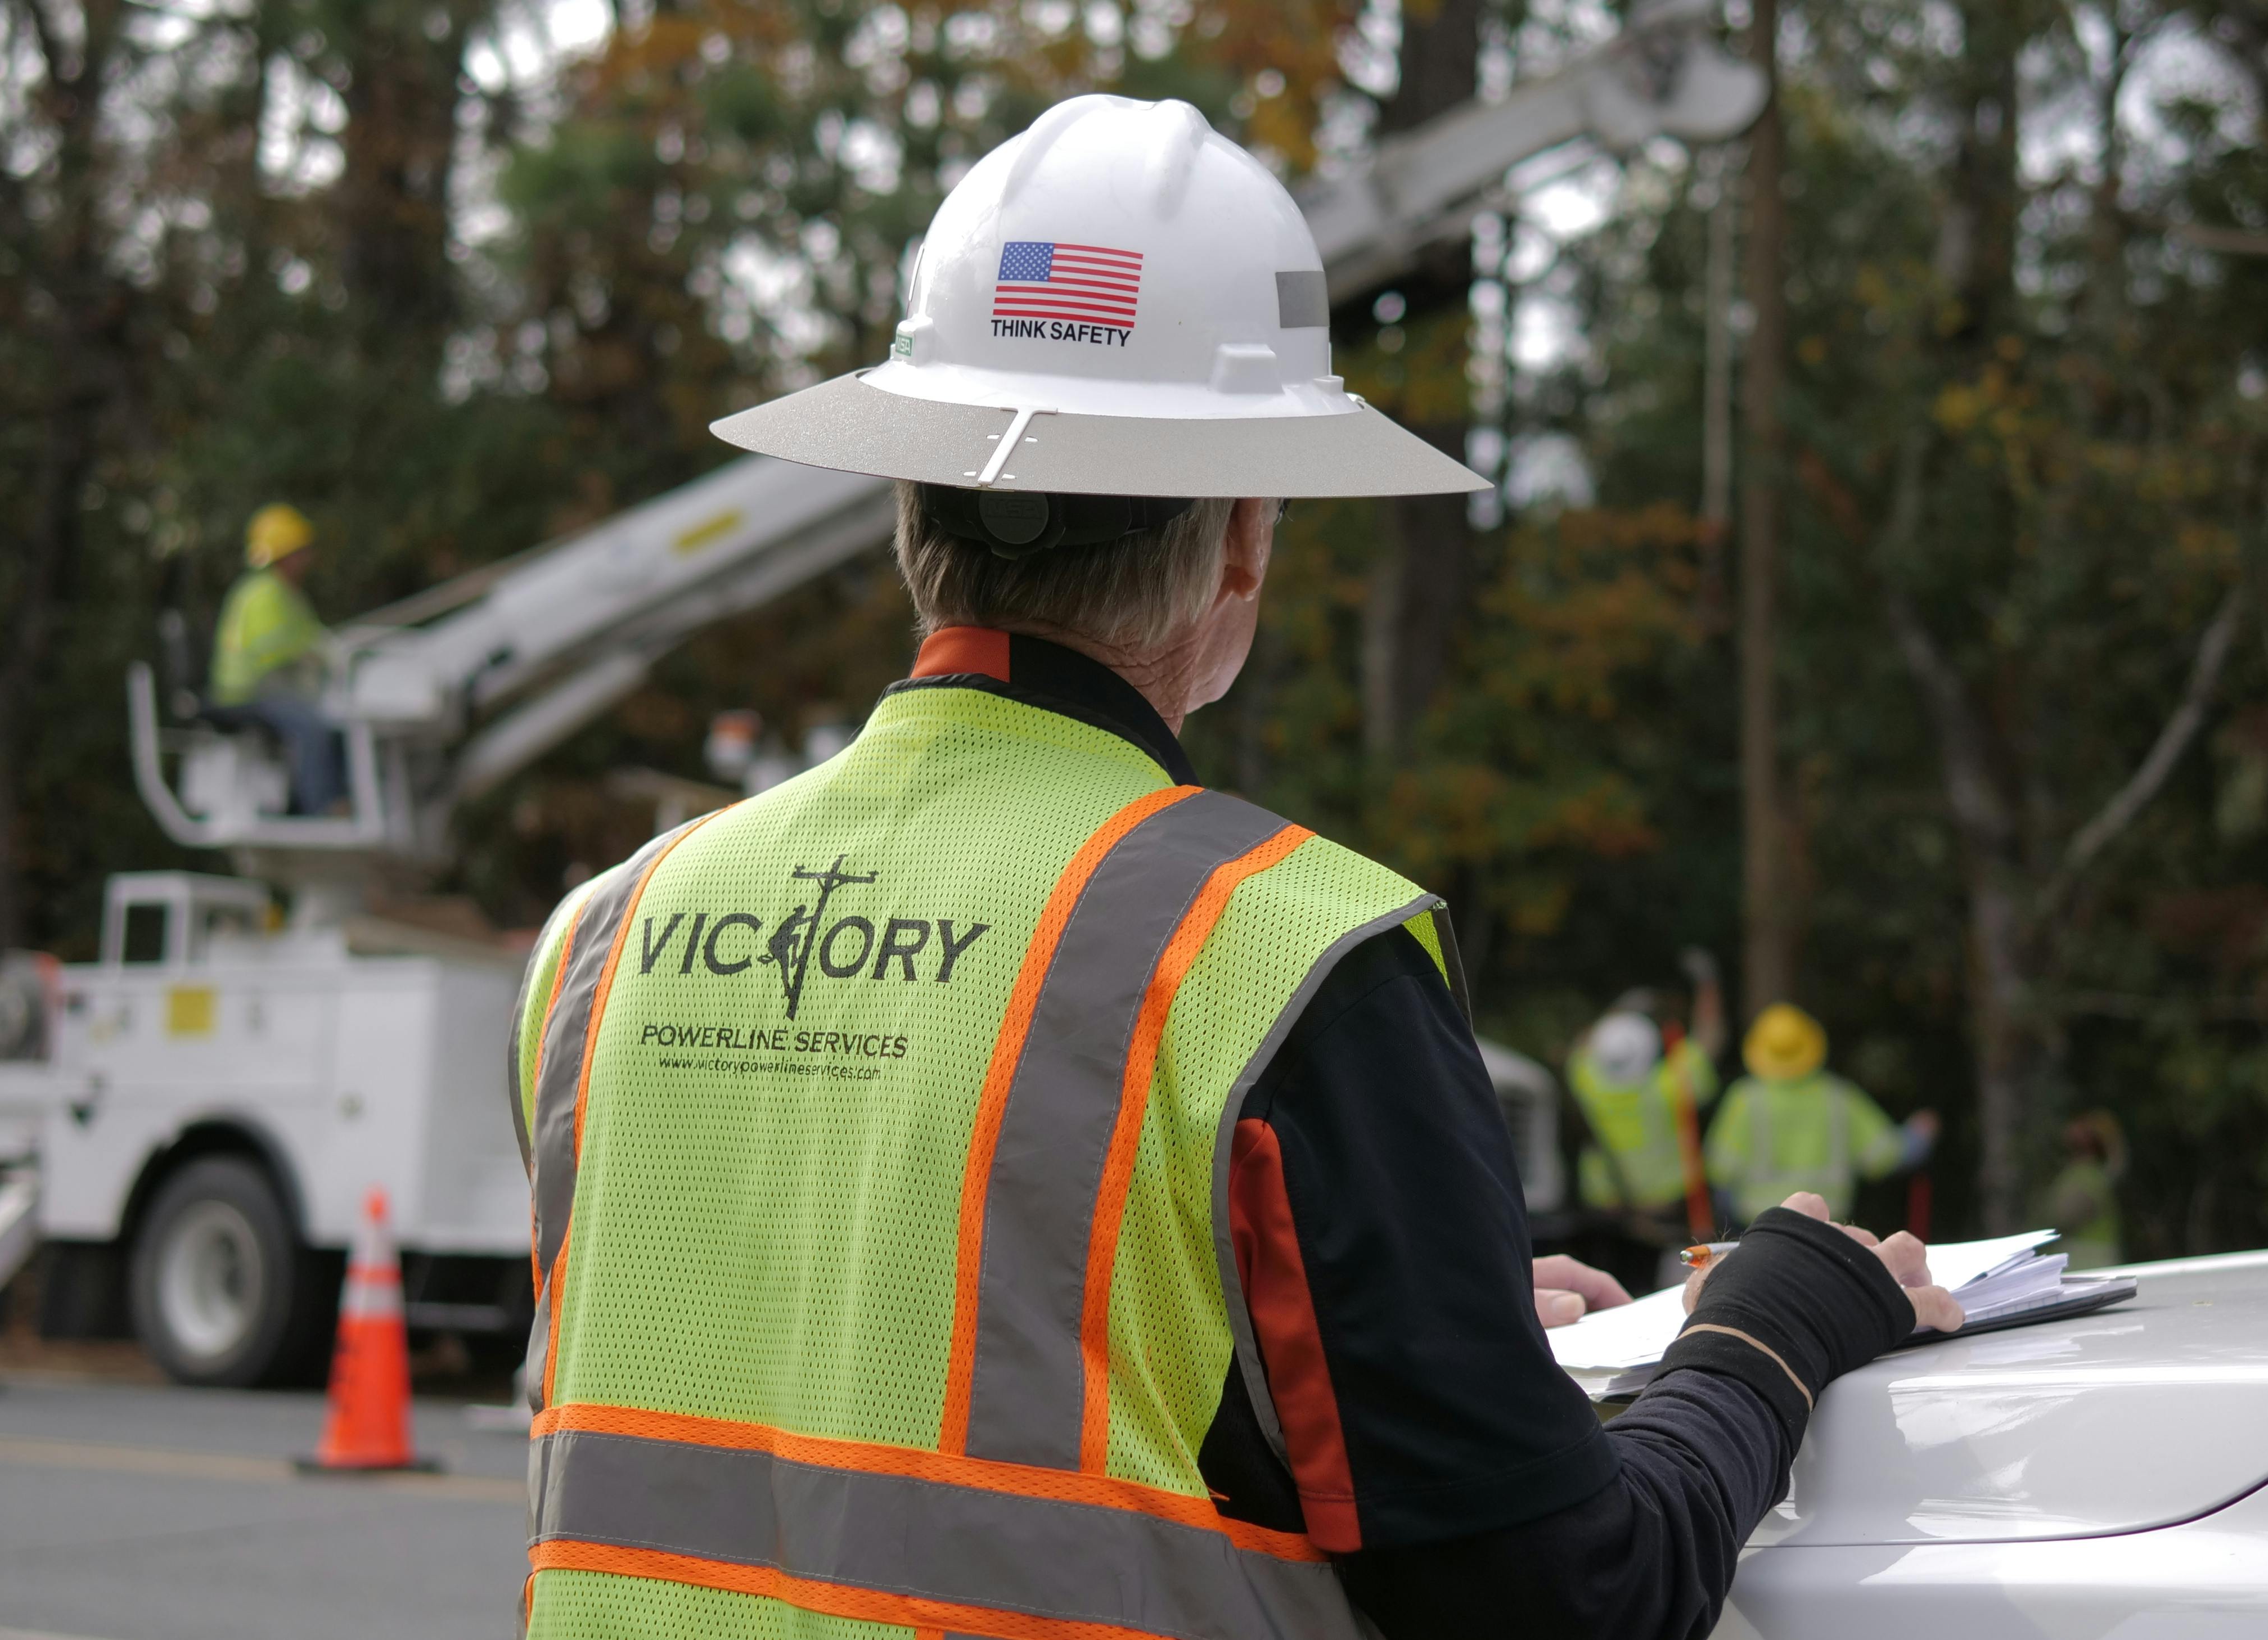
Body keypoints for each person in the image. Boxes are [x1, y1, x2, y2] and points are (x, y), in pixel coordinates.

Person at [508, 95, 1959, 1640]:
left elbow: (842, 1374)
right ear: (1247, 538)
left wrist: (1332, 1353)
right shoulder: (1280, 954)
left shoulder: (609, 935)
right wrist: (1772, 1328)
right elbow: (1572, 1605)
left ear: (907, 498)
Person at [1706, 1003, 1938, 1223]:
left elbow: (1720, 1169)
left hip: (1759, 1226)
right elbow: (1884, 1156)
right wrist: (1917, 1135)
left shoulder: (1745, 1100)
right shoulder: (1838, 1098)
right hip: (1827, 1227)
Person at [1565, 949, 1726, 1255]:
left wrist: (1619, 1011)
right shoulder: (1669, 1087)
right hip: (1663, 1208)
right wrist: (1708, 985)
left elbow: (1587, 1042)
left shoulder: (1585, 1078)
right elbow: (1710, 1040)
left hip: (1605, 1209)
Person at [209, 502, 346, 814]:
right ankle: (325, 807)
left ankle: (311, 803)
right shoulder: (264, 593)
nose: (308, 558)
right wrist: (318, 655)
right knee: (312, 727)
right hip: (247, 691)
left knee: (336, 720)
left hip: (270, 686)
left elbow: (311, 639)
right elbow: (276, 650)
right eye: (301, 550)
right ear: (286, 555)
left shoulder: (284, 593)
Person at [2045, 1109, 2127, 1268]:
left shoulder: (2086, 1174)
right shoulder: (2093, 1174)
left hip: (2087, 1261)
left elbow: (2066, 1216)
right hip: (2093, 1259)